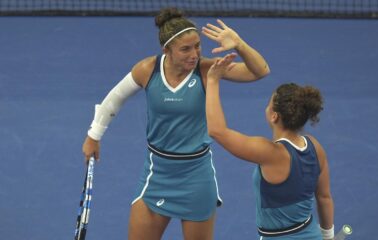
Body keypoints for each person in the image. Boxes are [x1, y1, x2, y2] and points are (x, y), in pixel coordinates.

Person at [82, 8, 270, 240]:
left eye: (197, 46)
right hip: (156, 173)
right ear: (166, 50)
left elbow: (260, 71)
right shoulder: (147, 69)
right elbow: (114, 99)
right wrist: (94, 135)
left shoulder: (207, 70)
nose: (194, 54)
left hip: (196, 176)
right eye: (185, 49)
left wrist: (239, 44)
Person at [205, 53, 334, 239]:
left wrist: (212, 80)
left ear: (274, 116)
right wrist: (328, 236)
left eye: (269, 104)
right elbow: (324, 197)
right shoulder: (315, 147)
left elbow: (217, 131)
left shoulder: (270, 153)